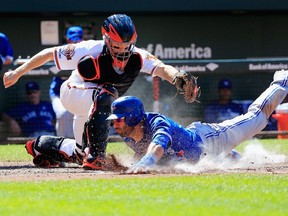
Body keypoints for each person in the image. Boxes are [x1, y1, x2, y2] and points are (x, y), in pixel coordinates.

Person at [3, 14, 199, 170]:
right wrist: (18, 72)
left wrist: (177, 78)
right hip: (73, 93)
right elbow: (48, 54)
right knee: (107, 96)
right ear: (106, 39)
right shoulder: (90, 48)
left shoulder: (138, 55)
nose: (122, 51)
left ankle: (39, 146)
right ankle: (96, 156)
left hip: (93, 106)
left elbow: (161, 68)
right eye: (116, 45)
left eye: (126, 46)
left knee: (80, 153)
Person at [24, 70, 288, 173]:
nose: (114, 124)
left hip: (212, 139)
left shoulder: (157, 126)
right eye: (114, 120)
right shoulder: (128, 131)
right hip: (195, 151)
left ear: (135, 119)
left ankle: (281, 82)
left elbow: (158, 148)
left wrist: (144, 163)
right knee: (222, 160)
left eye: (119, 119)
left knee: (256, 119)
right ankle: (233, 157)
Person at [50, 26, 84, 138]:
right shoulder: (62, 52)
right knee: (63, 114)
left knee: (81, 115)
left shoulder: (86, 50)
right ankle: (61, 142)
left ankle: (78, 144)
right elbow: (52, 69)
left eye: (78, 39)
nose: (75, 41)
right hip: (58, 93)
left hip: (77, 93)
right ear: (68, 39)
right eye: (73, 39)